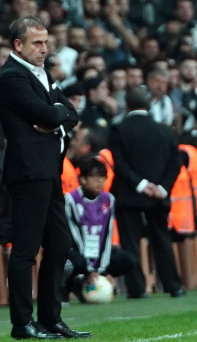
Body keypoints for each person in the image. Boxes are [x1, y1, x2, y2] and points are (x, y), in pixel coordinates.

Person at [0, 16, 86, 340]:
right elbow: (51, 113)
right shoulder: (12, 77)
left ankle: (50, 318)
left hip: (48, 171)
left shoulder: (40, 74)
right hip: (29, 171)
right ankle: (22, 323)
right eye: (37, 43)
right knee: (25, 249)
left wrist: (55, 118)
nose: (44, 49)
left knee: (59, 244)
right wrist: (56, 115)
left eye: (46, 42)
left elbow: (71, 114)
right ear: (18, 45)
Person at [110, 87, 184, 297]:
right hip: (159, 196)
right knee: (161, 239)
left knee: (130, 242)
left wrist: (141, 184)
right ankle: (173, 285)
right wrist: (162, 187)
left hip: (129, 194)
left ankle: (136, 288)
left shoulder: (119, 129)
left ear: (126, 106)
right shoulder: (165, 130)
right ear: (149, 105)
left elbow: (119, 164)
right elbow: (176, 161)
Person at [64, 156, 144, 301]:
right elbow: (75, 236)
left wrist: (102, 270)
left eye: (102, 177)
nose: (100, 181)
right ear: (83, 179)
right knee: (72, 262)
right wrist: (88, 269)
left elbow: (107, 235)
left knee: (128, 260)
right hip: (76, 250)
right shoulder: (71, 200)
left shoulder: (109, 200)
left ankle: (93, 281)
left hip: (98, 252)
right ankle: (67, 288)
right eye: (95, 177)